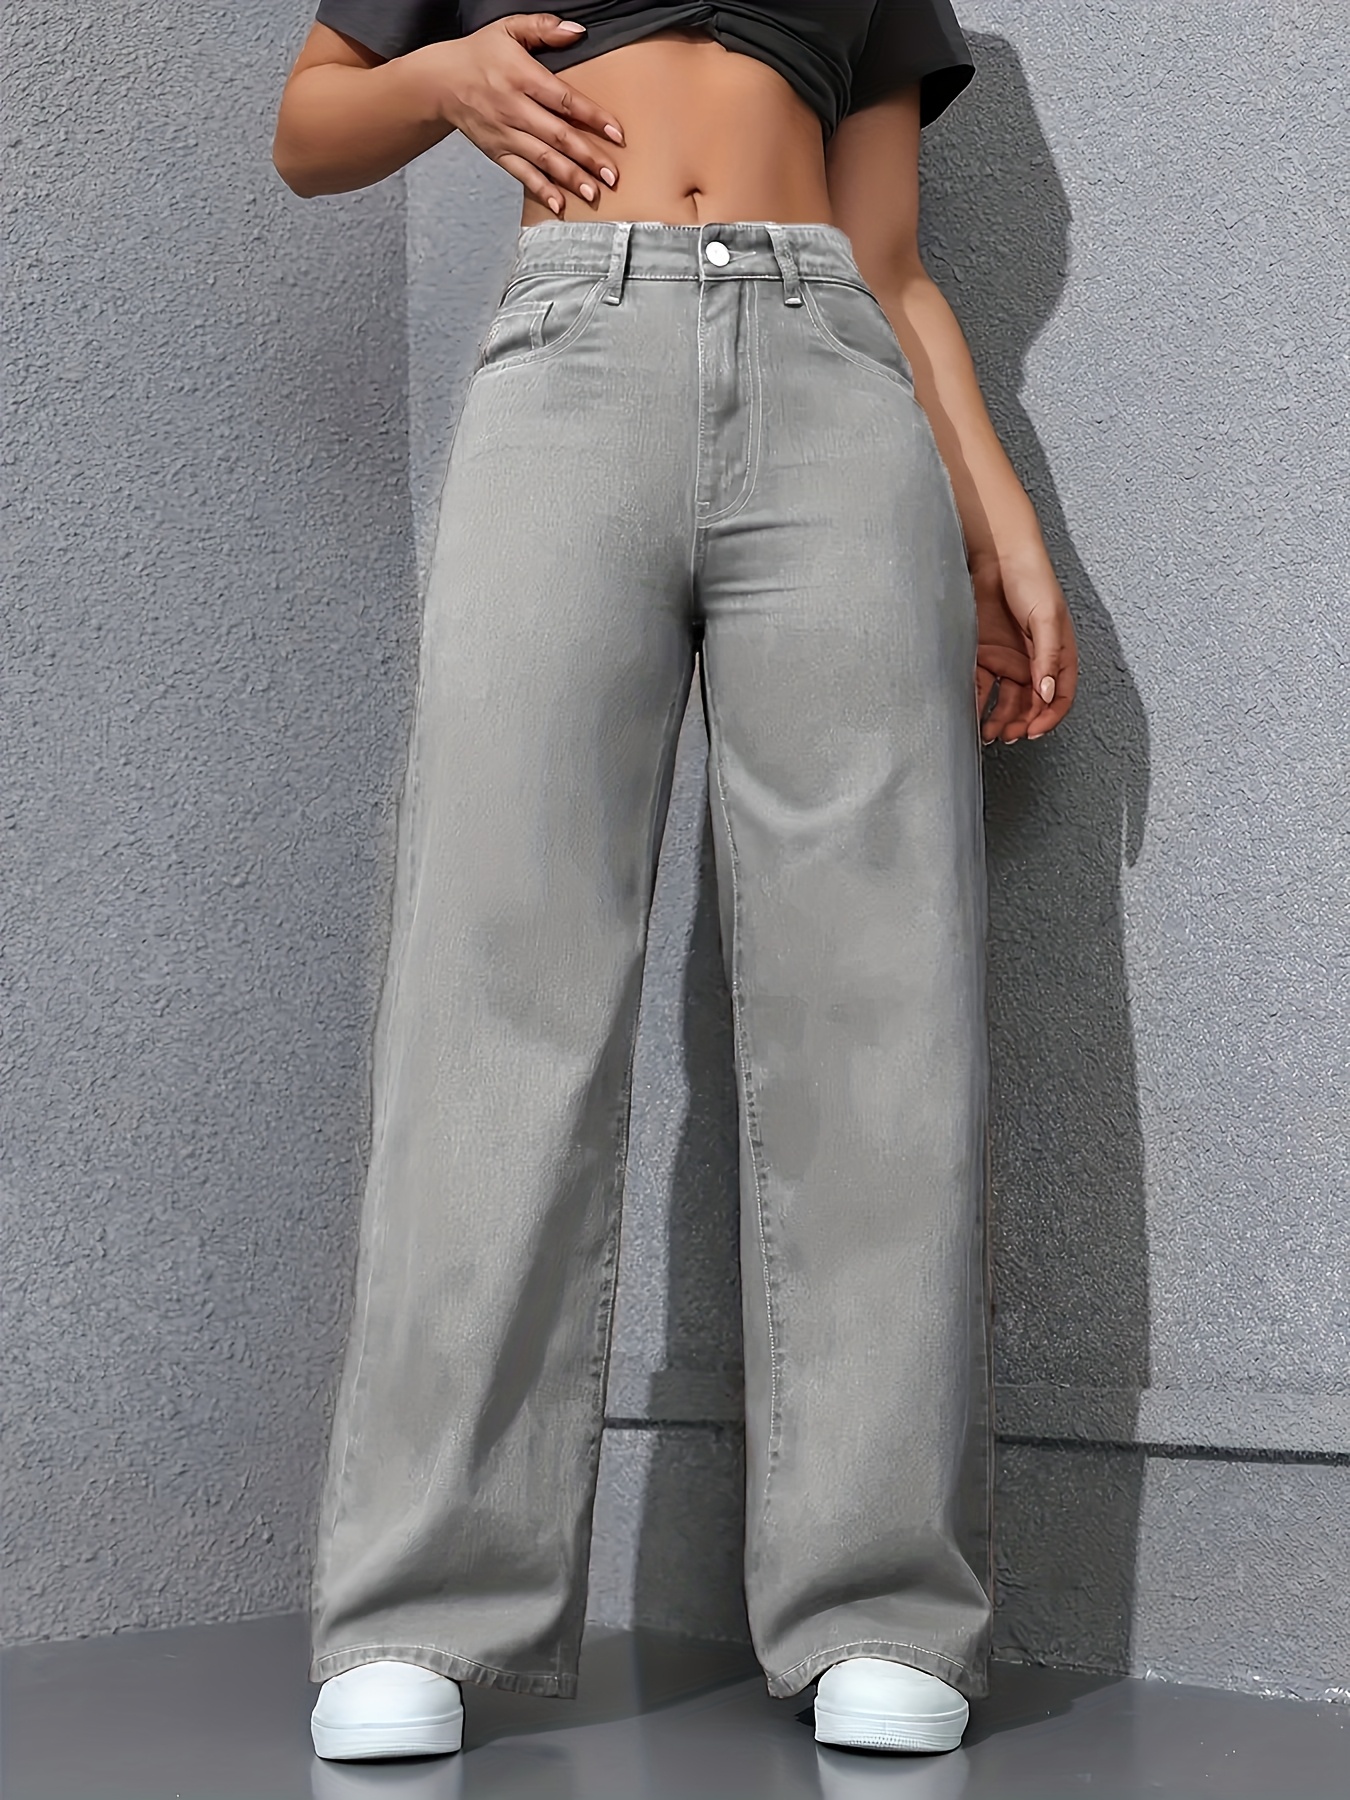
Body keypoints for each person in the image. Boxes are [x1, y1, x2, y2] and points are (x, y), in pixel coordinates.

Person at [272, 0, 1078, 1765]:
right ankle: (424, 1603)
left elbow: (891, 261)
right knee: (493, 978)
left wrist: (998, 525)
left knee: (875, 998)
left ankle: (880, 1600)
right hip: (572, 353)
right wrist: (444, 80)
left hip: (830, 375)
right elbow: (310, 130)